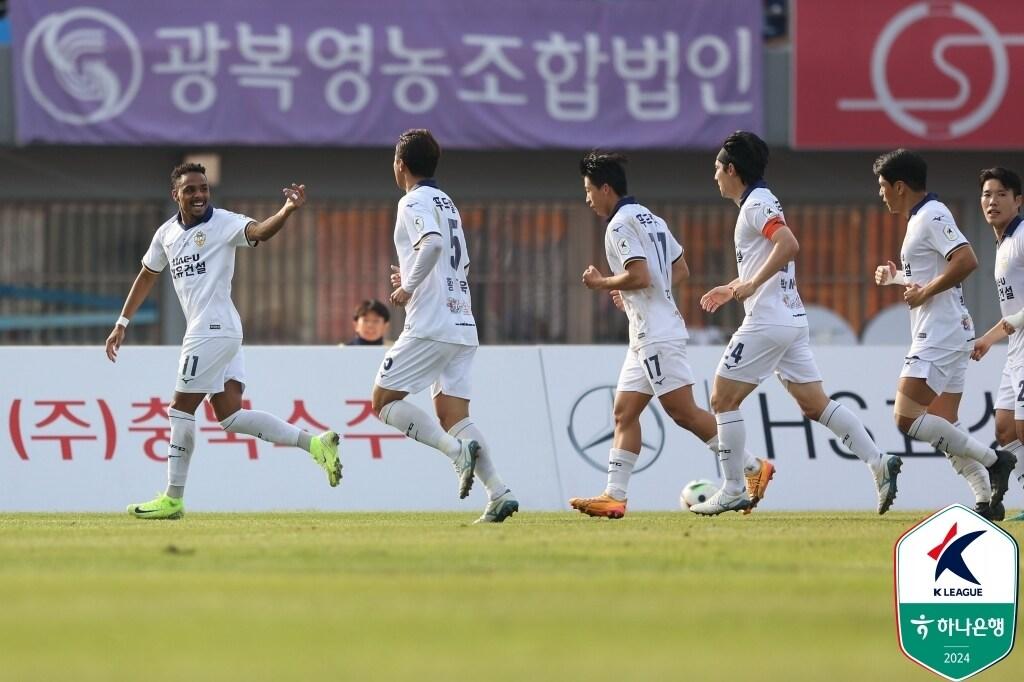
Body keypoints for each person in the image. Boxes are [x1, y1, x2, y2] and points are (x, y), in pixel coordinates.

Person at [105, 163, 341, 519]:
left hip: (211, 330)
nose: (199, 195)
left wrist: (287, 210)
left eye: (203, 188)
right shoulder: (166, 234)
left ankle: (172, 498)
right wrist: (122, 321)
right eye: (191, 190)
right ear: (176, 195)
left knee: (180, 410)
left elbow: (259, 231)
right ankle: (315, 444)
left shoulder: (225, 223)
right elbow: (147, 274)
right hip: (220, 331)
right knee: (230, 416)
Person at [697, 131, 901, 515]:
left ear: (732, 169)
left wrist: (753, 284)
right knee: (815, 404)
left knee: (722, 399)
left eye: (717, 169)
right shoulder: (762, 201)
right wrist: (733, 286)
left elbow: (789, 245)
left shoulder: (755, 204)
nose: (715, 177)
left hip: (768, 321)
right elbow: (768, 257)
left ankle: (733, 486)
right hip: (790, 318)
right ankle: (878, 461)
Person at [568, 150, 774, 519]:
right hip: (645, 333)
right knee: (623, 413)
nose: (587, 199)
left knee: (685, 413)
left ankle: (752, 467)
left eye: (588, 190)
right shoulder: (651, 218)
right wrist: (633, 290)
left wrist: (603, 283)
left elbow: (642, 276)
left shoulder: (618, 225)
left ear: (605, 188)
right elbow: (680, 270)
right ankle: (614, 495)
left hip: (657, 335)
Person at [370, 129, 517, 524]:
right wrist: (416, 280)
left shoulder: (412, 200)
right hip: (462, 319)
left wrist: (409, 288)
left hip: (431, 322)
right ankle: (498, 492)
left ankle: (457, 453)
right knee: (454, 415)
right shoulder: (447, 202)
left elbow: (432, 243)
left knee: (382, 402)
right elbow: (460, 262)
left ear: (399, 164)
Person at [873, 150, 1015, 518]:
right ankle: (986, 499)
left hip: (940, 332)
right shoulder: (920, 218)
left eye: (883, 187)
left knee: (906, 418)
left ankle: (993, 459)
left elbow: (966, 260)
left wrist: (923, 293)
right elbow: (934, 275)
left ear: (900, 186)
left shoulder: (932, 215)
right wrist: (900, 279)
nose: (881, 194)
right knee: (944, 424)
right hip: (948, 329)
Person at [969, 167, 1024, 520]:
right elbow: (1014, 308)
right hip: (1016, 347)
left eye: (1002, 194)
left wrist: (1014, 322)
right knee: (1005, 428)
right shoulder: (1003, 244)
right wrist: (989, 339)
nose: (993, 201)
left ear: (1018, 201)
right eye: (987, 195)